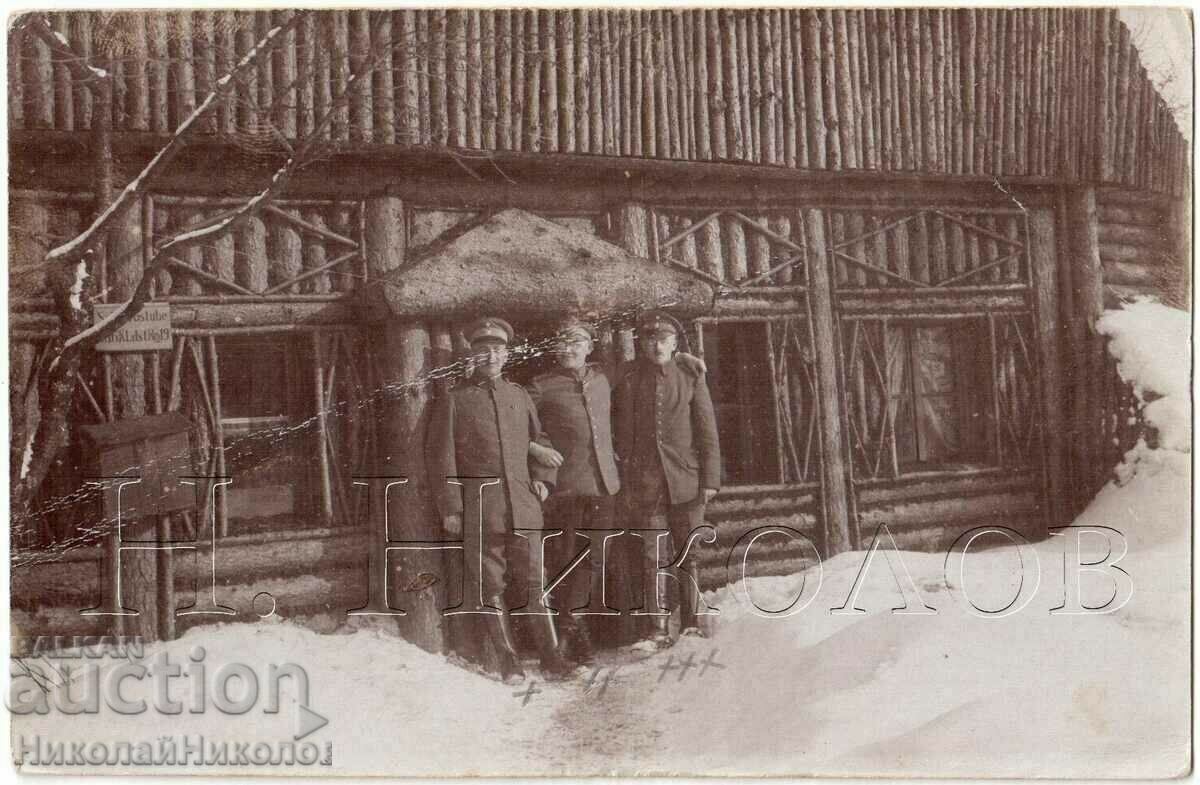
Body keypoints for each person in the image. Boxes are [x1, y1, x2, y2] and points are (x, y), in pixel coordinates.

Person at [426, 316, 568, 684]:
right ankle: (509, 663)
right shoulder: (455, 400)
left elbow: (542, 442)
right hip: (481, 512)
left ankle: (552, 659)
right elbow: (442, 460)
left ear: (507, 354)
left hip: (524, 508)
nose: (491, 356)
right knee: (491, 589)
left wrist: (544, 481)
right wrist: (453, 509)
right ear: (472, 355)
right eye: (483, 349)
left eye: (498, 349)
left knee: (537, 586)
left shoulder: (518, 396)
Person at [613, 310, 721, 648]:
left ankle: (690, 624)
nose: (656, 345)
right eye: (650, 340)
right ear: (641, 344)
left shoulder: (690, 375)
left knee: (688, 553)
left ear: (674, 343)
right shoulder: (631, 378)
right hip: (648, 484)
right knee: (652, 554)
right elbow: (625, 435)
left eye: (663, 339)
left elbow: (707, 431)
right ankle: (657, 629)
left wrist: (710, 479)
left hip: (687, 482)